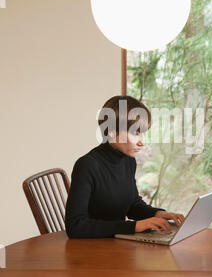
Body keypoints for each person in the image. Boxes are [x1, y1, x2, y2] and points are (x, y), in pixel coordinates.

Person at [65, 95, 185, 238]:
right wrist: (134, 226)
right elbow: (76, 226)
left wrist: (159, 214)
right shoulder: (87, 165)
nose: (142, 142)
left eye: (143, 134)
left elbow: (132, 205)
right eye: (135, 133)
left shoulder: (128, 161)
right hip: (92, 249)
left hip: (117, 244)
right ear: (111, 131)